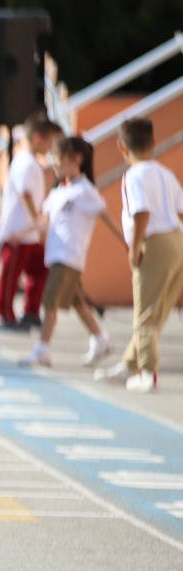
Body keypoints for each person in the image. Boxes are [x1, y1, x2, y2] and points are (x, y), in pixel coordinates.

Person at [94, 117, 183, 392]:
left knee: (144, 311)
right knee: (158, 310)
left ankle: (147, 371)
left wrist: (134, 248)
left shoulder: (134, 175)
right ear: (154, 143)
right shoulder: (165, 173)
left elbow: (141, 212)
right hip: (176, 239)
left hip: (154, 241)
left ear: (121, 147)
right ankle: (131, 362)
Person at [19, 136, 123, 368]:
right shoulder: (58, 192)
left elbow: (106, 217)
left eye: (58, 159)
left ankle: (43, 348)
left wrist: (128, 243)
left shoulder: (85, 191)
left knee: (50, 302)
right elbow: (43, 221)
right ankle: (100, 338)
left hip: (69, 255)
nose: (54, 164)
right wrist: (18, 232)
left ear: (76, 159)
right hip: (55, 253)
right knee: (77, 302)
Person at [0, 114, 63, 332]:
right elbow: (25, 194)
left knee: (38, 271)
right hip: (18, 231)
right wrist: (36, 220)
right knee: (10, 275)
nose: (52, 146)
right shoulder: (25, 163)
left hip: (29, 232)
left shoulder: (33, 163)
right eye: (50, 140)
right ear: (37, 138)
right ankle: (5, 316)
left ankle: (31, 311)